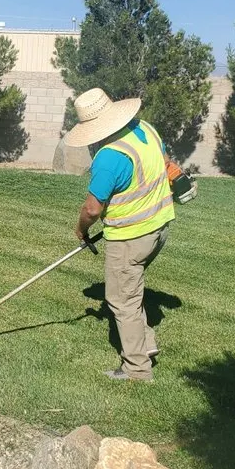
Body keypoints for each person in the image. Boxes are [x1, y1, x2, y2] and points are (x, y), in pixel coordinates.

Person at [65, 87, 178, 383]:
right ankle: (146, 344)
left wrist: (80, 230)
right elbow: (161, 165)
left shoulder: (109, 157)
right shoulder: (146, 129)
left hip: (130, 237)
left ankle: (137, 370)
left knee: (121, 300)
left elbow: (91, 209)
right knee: (132, 289)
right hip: (160, 226)